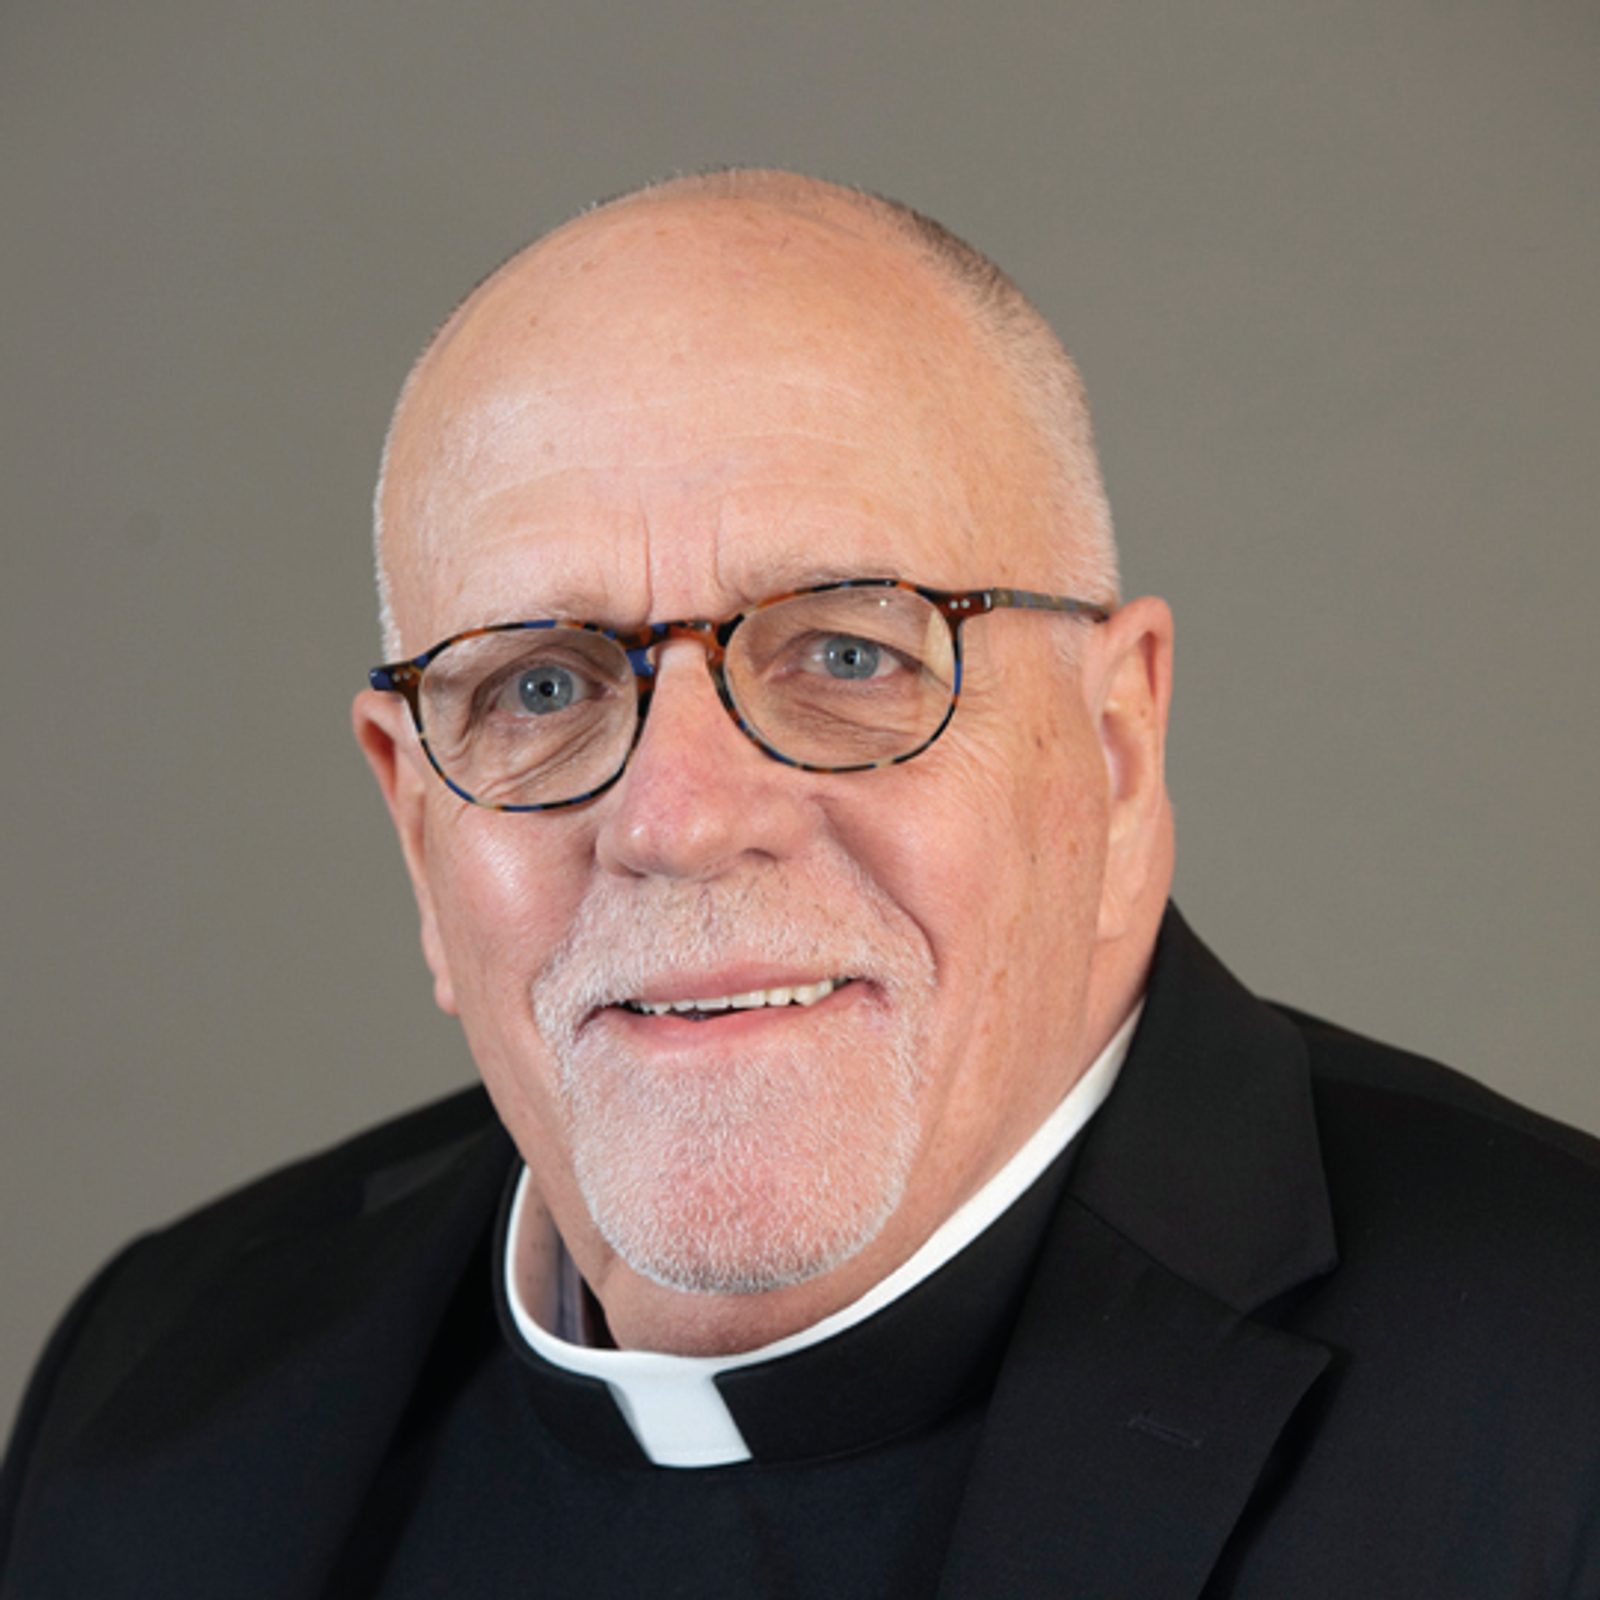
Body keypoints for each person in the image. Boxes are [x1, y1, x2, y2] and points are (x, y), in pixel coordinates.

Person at [3, 169, 1598, 1599]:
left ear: (1115, 754)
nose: (679, 819)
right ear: (417, 822)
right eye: (543, 688)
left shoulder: (1563, 1389)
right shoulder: (160, 1385)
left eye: (846, 654)